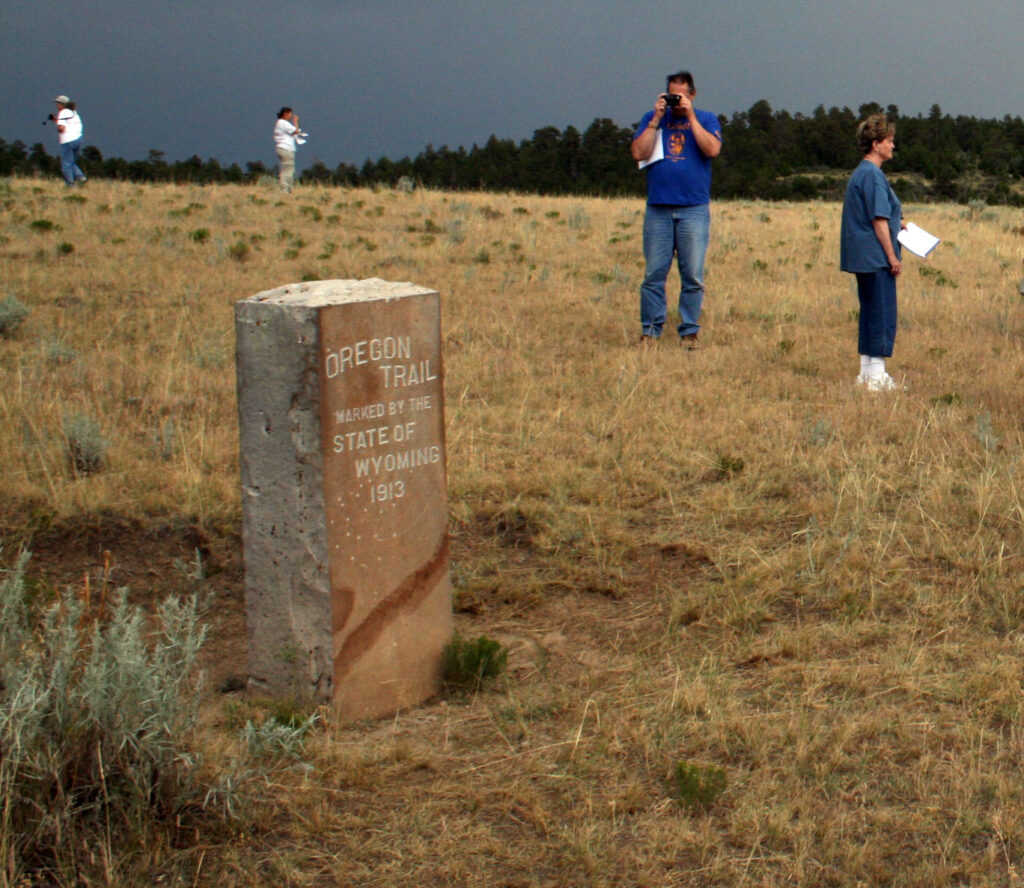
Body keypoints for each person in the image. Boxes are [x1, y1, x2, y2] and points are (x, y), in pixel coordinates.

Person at [631, 70, 722, 348]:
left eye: (681, 96)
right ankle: (650, 329)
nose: (676, 101)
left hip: (693, 208)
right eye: (671, 95)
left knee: (692, 274)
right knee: (654, 274)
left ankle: (689, 331)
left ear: (692, 95)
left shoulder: (706, 119)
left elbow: (712, 150)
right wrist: (656, 119)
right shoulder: (653, 119)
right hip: (658, 207)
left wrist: (691, 117)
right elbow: (638, 153)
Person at [840, 114, 906, 391]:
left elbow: (882, 216)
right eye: (889, 141)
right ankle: (877, 376)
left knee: (869, 310)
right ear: (876, 144)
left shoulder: (861, 173)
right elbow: (878, 219)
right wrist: (892, 256)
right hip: (875, 257)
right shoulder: (873, 175)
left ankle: (867, 372)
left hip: (862, 256)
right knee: (881, 311)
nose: (893, 146)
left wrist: (900, 224)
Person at [51, 95, 87, 186]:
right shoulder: (74, 112)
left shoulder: (62, 113)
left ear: (62, 104)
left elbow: (61, 128)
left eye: (58, 103)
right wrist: (57, 120)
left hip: (67, 140)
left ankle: (70, 185)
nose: (56, 105)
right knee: (72, 162)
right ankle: (81, 177)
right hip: (78, 139)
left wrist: (57, 124)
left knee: (66, 165)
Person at [273, 107, 300, 193]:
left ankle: (287, 189)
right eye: (290, 113)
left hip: (282, 148)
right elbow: (295, 131)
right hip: (286, 148)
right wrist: (295, 121)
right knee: (287, 170)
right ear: (285, 113)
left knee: (287, 169)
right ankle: (285, 190)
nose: (291, 116)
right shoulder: (283, 123)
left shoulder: (280, 123)